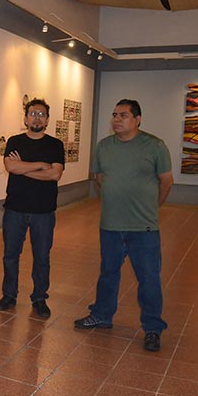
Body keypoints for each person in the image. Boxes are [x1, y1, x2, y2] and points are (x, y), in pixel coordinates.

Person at [75, 99, 173, 352]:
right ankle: (102, 315)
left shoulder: (154, 146)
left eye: (123, 115)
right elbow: (99, 179)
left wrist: (152, 208)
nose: (116, 119)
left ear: (137, 119)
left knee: (148, 278)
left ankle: (152, 328)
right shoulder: (104, 146)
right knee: (108, 273)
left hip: (144, 228)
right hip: (110, 224)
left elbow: (166, 181)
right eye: (114, 115)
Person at [0, 98, 64, 319]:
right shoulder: (15, 141)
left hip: (44, 211)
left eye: (41, 114)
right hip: (15, 209)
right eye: (33, 114)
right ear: (25, 118)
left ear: (47, 120)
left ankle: (40, 298)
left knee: (42, 257)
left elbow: (55, 174)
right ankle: (9, 295)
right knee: (10, 255)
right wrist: (41, 165)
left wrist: (23, 168)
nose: (37, 118)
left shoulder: (55, 145)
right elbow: (10, 166)